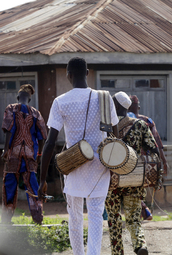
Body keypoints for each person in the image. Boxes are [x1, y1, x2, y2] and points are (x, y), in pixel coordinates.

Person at [38, 57, 119, 255]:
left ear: (68, 75)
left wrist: (41, 179)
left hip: (72, 165)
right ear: (87, 73)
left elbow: (49, 143)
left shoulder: (61, 102)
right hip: (100, 166)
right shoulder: (105, 98)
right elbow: (116, 137)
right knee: (95, 216)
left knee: (74, 217)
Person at [105, 91, 160, 255]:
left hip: (112, 180)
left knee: (114, 219)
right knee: (134, 218)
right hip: (134, 179)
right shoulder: (140, 125)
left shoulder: (106, 126)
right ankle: (140, 245)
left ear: (115, 105)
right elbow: (153, 150)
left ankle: (117, 252)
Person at [1, 84, 47, 224]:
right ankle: (37, 219)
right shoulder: (36, 113)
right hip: (30, 156)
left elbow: (9, 130)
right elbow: (42, 137)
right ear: (29, 99)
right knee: (32, 187)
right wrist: (39, 155)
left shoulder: (11, 108)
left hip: (13, 154)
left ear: (18, 97)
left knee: (9, 185)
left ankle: (6, 220)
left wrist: (5, 149)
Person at [128, 95, 168, 174]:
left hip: (127, 162)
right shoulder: (147, 121)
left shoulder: (121, 121)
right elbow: (157, 142)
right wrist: (164, 161)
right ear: (138, 107)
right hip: (146, 162)